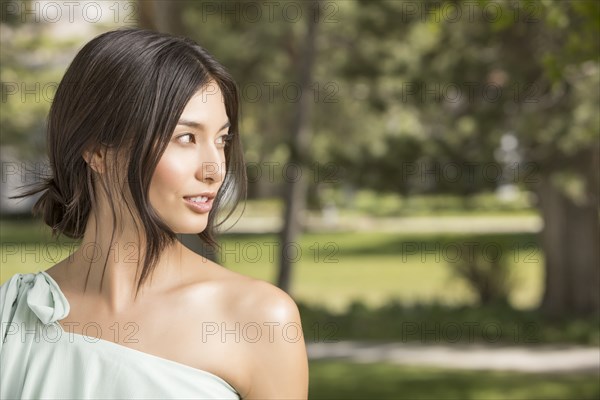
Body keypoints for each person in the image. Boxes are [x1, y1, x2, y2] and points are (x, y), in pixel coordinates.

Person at [0, 28, 308, 399]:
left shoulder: (258, 319)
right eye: (186, 138)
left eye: (222, 140)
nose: (214, 168)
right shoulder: (13, 315)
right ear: (97, 151)